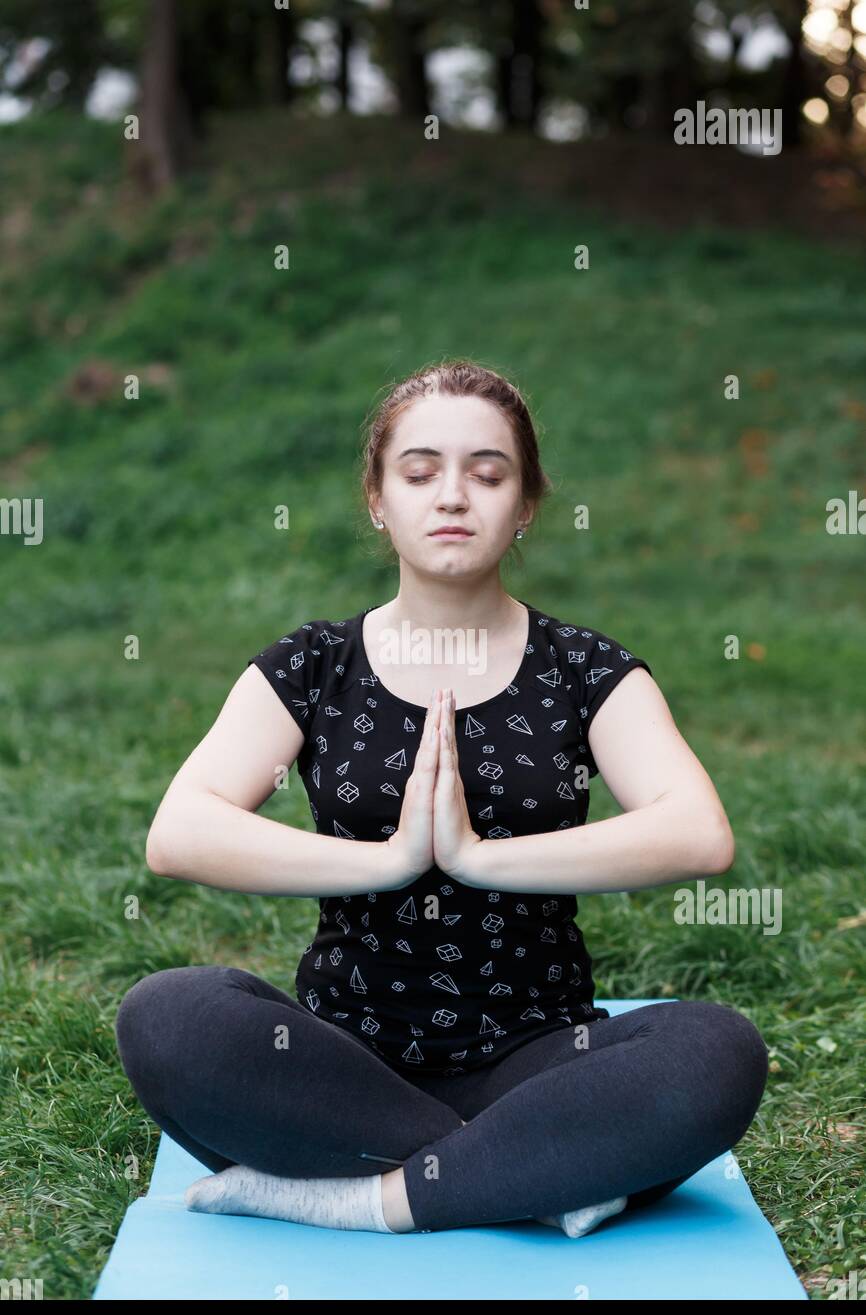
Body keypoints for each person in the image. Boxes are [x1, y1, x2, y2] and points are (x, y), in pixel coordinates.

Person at [115, 359, 769, 1238]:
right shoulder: (314, 667)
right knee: (166, 1016)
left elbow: (699, 834)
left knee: (717, 1053)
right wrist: (390, 863)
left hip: (543, 1059)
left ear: (526, 503)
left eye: (487, 474)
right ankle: (528, 1168)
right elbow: (179, 832)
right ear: (379, 501)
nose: (453, 496)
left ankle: (368, 1198)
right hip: (344, 1064)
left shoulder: (584, 669)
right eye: (420, 473)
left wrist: (477, 857)